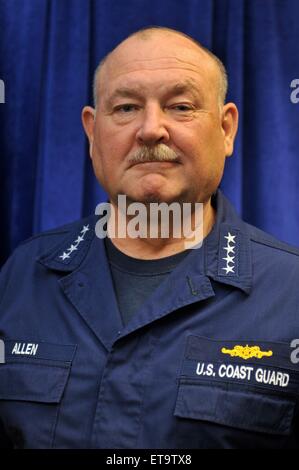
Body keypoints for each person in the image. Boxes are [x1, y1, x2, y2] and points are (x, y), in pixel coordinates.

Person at [0, 26, 299, 450]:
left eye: (180, 106)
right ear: (91, 132)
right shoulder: (20, 278)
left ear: (227, 129)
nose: (151, 129)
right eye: (125, 107)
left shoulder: (291, 294)